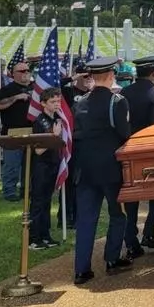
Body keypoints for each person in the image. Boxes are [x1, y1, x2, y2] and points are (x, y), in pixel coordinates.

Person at [72, 57, 134, 284]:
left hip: (85, 168)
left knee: (86, 220)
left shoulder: (79, 102)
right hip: (110, 168)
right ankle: (112, 258)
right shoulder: (117, 102)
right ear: (110, 76)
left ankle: (81, 269)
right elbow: (124, 133)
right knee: (118, 215)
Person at [121, 56, 154, 257]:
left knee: (131, 195)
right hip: (150, 149)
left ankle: (131, 239)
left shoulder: (124, 92)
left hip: (129, 148)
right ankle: (149, 231)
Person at [29, 87, 64, 249]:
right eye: (53, 102)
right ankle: (34, 238)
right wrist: (53, 135)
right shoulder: (39, 121)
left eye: (58, 101)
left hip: (52, 164)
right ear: (43, 103)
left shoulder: (56, 119)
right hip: (41, 166)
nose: (57, 104)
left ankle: (45, 235)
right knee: (38, 202)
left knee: (47, 202)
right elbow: (38, 150)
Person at [58, 64, 92, 228]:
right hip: (72, 141)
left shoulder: (92, 93)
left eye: (90, 76)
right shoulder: (68, 91)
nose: (88, 79)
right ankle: (65, 216)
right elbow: (52, 85)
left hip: (88, 142)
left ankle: (79, 215)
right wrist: (72, 78)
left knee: (83, 181)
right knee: (70, 180)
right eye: (85, 76)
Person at [0, 61, 34, 201]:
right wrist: (15, 98)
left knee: (29, 165)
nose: (25, 73)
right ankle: (9, 192)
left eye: (27, 70)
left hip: (32, 131)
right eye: (21, 71)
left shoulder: (35, 87)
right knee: (12, 165)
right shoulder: (7, 89)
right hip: (13, 133)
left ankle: (26, 191)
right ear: (13, 74)